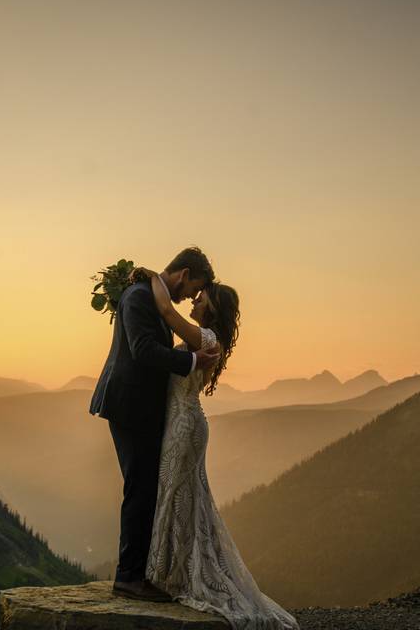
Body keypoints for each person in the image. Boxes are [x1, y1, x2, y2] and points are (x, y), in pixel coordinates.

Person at [140, 269, 300, 630]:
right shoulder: (208, 338)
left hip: (185, 427)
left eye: (201, 297)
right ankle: (172, 572)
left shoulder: (207, 338)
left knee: (179, 496)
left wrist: (151, 278)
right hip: (181, 423)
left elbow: (166, 311)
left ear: (213, 308)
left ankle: (174, 575)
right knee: (180, 496)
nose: (195, 299)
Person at [90, 246, 221, 602]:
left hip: (142, 408)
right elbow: (143, 349)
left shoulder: (152, 297)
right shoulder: (138, 297)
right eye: (193, 288)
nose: (190, 297)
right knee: (140, 488)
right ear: (184, 274)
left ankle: (137, 574)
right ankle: (129, 578)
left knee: (145, 488)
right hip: (128, 406)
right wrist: (192, 360)